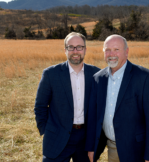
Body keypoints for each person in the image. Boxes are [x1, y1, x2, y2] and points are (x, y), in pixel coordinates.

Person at [86, 34, 149, 162]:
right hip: (112, 147)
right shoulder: (98, 79)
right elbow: (93, 117)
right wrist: (91, 147)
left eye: (116, 49)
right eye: (108, 50)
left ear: (126, 52)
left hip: (137, 150)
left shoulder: (145, 78)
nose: (112, 54)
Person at [34, 32, 100, 162]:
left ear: (85, 50)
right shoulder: (51, 74)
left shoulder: (96, 74)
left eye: (79, 47)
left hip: (85, 140)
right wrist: (46, 131)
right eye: (71, 47)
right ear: (65, 50)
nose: (75, 51)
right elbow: (40, 106)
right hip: (57, 137)